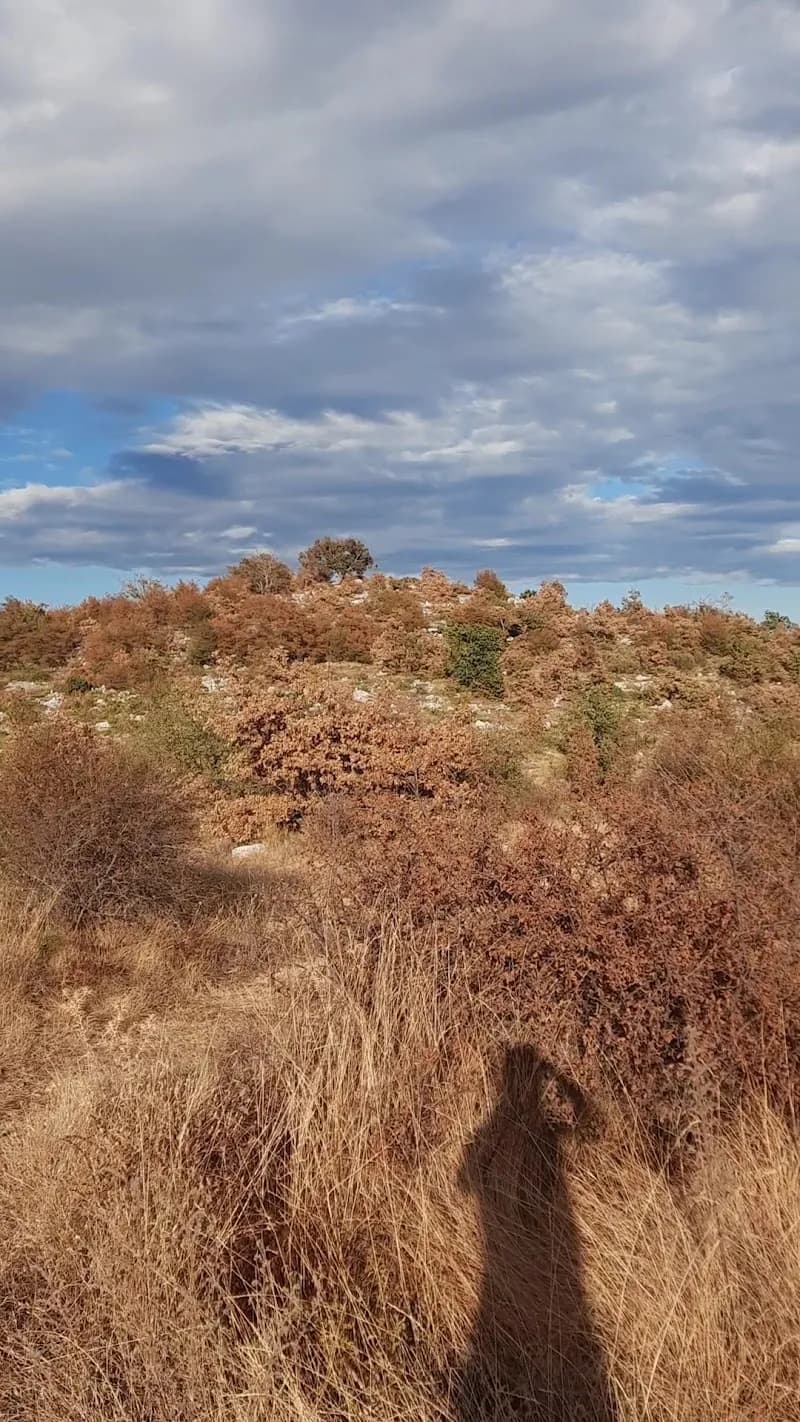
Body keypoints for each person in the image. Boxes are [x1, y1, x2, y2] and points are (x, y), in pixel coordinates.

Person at [453, 1045, 617, 1420]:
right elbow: (592, 1126)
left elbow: (461, 1185)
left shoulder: (489, 1134)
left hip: (504, 1267)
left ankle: (517, 1392)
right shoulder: (540, 1131)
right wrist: (562, 1083)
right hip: (546, 1264)